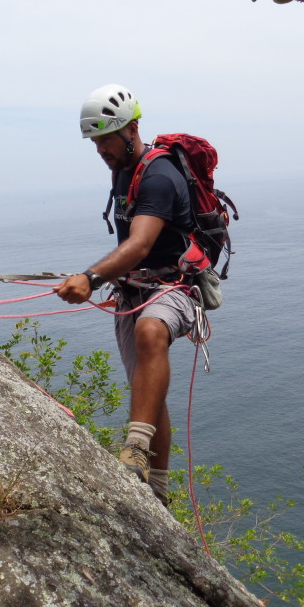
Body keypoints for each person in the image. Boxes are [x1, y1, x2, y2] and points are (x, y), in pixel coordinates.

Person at [56, 84, 197, 506]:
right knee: (146, 392)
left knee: (152, 333)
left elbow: (139, 244)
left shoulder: (158, 176)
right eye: (95, 141)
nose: (100, 149)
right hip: (133, 289)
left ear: (131, 129)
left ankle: (135, 450)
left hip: (174, 286)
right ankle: (156, 490)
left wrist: (90, 277)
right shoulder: (123, 171)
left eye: (106, 138)